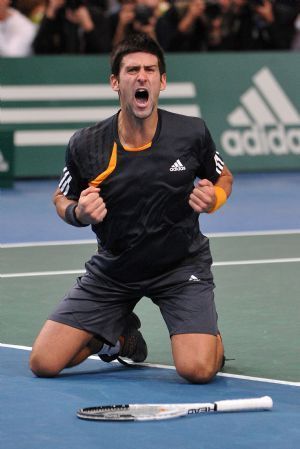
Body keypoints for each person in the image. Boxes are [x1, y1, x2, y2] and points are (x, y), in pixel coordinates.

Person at [30, 32, 233, 384]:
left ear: (162, 81)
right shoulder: (86, 144)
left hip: (179, 267)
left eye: (151, 70)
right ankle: (123, 336)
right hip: (114, 271)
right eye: (132, 70)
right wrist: (78, 213)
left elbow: (223, 176)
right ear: (115, 82)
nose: (142, 76)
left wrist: (214, 198)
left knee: (197, 370)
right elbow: (61, 197)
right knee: (43, 363)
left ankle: (207, 335)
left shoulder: (191, 133)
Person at [33, 0, 110, 54]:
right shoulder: (56, 16)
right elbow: (39, 49)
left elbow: (104, 54)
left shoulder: (97, 15)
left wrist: (88, 27)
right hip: (60, 67)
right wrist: (51, 11)